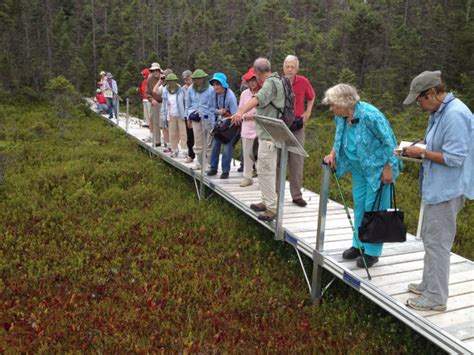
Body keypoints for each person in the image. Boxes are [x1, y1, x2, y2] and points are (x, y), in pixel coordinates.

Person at [402, 71, 473, 311]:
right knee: (431, 240)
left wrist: (421, 153)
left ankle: (435, 298)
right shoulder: (439, 112)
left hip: (448, 190)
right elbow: (439, 144)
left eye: (420, 100)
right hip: (437, 186)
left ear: (432, 93)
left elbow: (455, 157)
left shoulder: (455, 115)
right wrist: (418, 147)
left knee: (438, 244)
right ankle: (428, 284)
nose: (419, 105)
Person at [322, 83, 400, 268]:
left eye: (334, 104)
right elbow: (339, 137)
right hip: (358, 168)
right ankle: (358, 244)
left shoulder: (370, 115)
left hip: (377, 169)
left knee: (374, 209)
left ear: (345, 102)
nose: (331, 108)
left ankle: (372, 252)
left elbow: (389, 142)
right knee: (360, 206)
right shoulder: (341, 117)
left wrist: (389, 167)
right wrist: (333, 153)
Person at [231, 57, 285, 222]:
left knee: (265, 170)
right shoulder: (278, 81)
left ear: (258, 72)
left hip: (268, 136)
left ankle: (271, 208)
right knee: (263, 169)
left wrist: (240, 113)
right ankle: (266, 200)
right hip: (269, 134)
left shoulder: (270, 83)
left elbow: (257, 99)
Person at [279, 55, 316, 207]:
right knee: (278, 161)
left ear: (297, 68)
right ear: (283, 67)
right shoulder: (277, 82)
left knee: (296, 161)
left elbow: (312, 97)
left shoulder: (303, 81)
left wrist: (307, 113)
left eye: (292, 67)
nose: (289, 69)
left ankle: (296, 195)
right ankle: (275, 193)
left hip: (297, 125)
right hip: (280, 125)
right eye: (287, 66)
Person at [207, 73, 239, 179]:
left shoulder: (231, 96)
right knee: (215, 146)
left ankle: (225, 170)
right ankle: (213, 168)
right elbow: (209, 108)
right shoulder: (212, 94)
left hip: (229, 126)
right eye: (214, 84)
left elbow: (235, 114)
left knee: (227, 147)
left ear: (223, 85)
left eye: (218, 84)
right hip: (218, 125)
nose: (215, 86)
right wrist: (218, 111)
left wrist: (226, 114)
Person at [186, 69, 214, 170]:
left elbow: (212, 105)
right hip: (194, 116)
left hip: (207, 117)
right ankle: (199, 161)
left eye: (200, 79)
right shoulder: (190, 89)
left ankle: (208, 163)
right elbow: (188, 104)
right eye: (196, 79)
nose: (198, 81)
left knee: (208, 140)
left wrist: (203, 111)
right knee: (197, 139)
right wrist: (188, 117)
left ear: (204, 78)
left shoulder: (210, 89)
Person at [238, 67, 261, 187]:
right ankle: (247, 178)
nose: (252, 82)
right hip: (247, 129)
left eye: (254, 79)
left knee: (260, 157)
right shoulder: (244, 94)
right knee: (247, 155)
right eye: (250, 80)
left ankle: (262, 181)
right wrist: (247, 116)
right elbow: (240, 112)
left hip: (260, 130)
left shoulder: (263, 93)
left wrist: (255, 116)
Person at [161, 73, 187, 157]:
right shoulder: (165, 90)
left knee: (183, 133)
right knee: (172, 133)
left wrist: (186, 114)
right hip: (170, 114)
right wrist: (163, 115)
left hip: (180, 114)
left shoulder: (181, 90)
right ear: (167, 82)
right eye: (170, 81)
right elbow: (164, 104)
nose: (172, 82)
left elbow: (185, 102)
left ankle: (184, 150)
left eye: (173, 81)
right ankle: (174, 149)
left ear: (176, 81)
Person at [146, 62, 164, 147]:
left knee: (165, 123)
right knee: (155, 122)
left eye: (157, 70)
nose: (155, 72)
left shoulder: (164, 78)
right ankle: (157, 141)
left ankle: (168, 142)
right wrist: (152, 99)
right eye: (153, 71)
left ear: (160, 70)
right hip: (155, 103)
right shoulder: (149, 80)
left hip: (165, 103)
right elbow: (147, 93)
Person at [182, 70, 195, 163]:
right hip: (188, 114)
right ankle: (191, 155)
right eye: (185, 80)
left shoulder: (197, 88)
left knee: (199, 137)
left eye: (189, 79)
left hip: (198, 115)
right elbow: (184, 103)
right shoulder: (183, 89)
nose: (187, 81)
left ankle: (203, 158)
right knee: (189, 136)